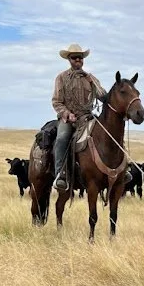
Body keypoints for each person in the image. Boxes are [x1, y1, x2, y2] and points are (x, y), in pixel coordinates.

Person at [51, 43, 106, 191]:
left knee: (107, 132)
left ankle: (120, 169)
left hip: (88, 117)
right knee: (62, 138)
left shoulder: (90, 78)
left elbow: (103, 97)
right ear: (69, 59)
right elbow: (57, 102)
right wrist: (67, 114)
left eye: (80, 57)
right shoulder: (61, 78)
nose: (78, 60)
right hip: (69, 119)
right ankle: (61, 175)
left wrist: (93, 83)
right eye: (74, 57)